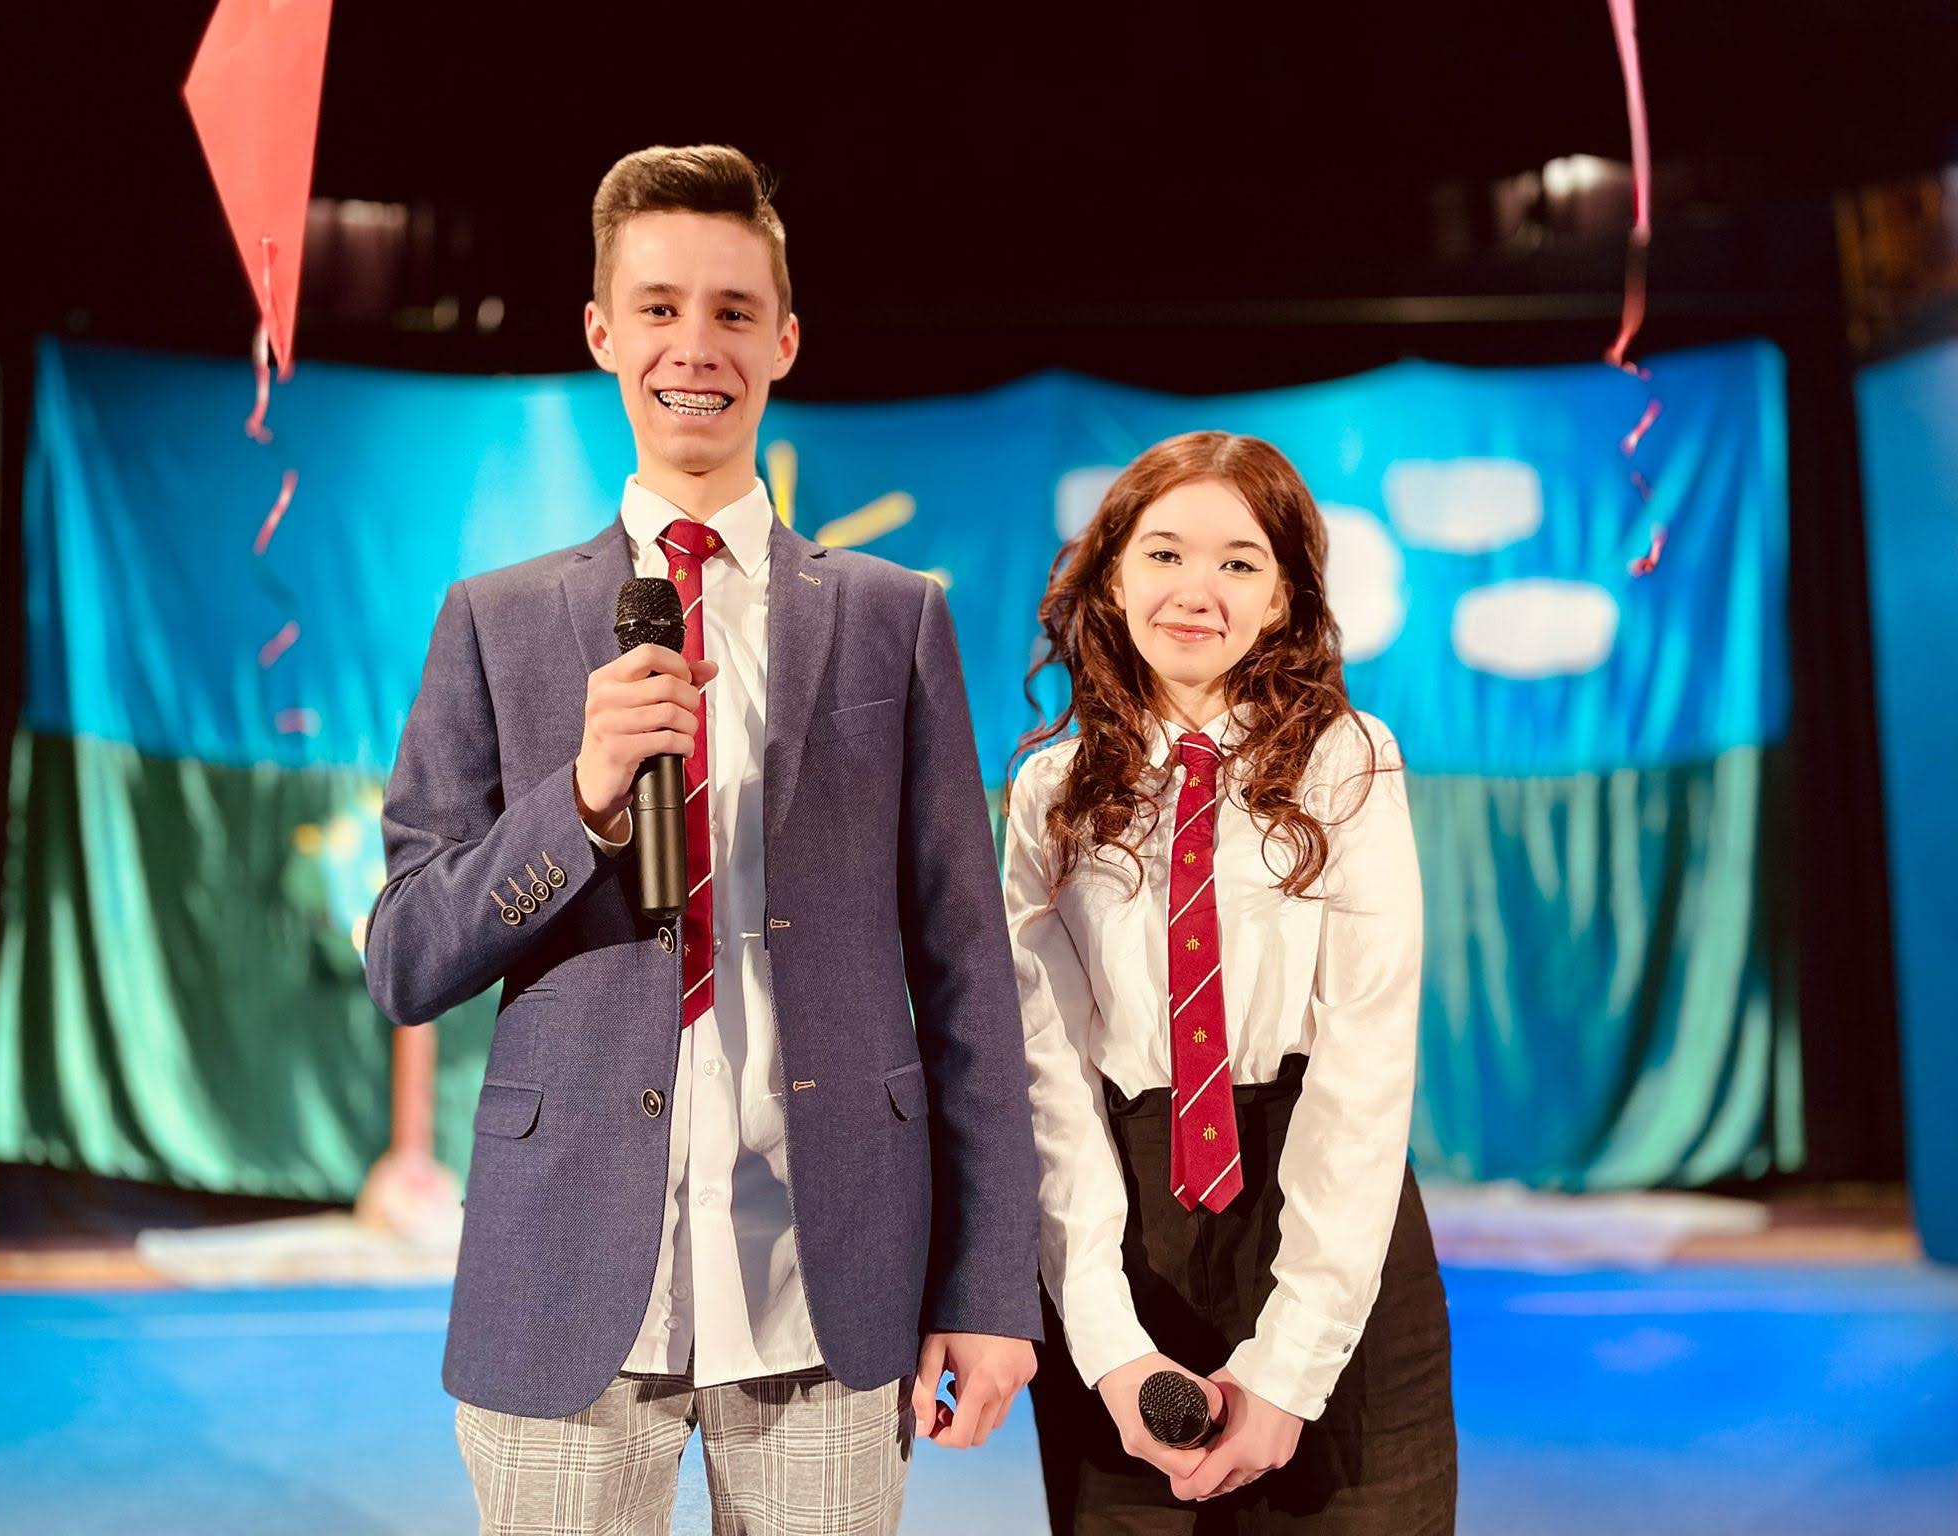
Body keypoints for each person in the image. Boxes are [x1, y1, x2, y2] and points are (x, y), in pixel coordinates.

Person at [364, 144, 1041, 1536]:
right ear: (600, 331)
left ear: (783, 340)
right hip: (566, 1278)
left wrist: (988, 1288)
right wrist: (582, 798)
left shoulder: (891, 618)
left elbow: (969, 975)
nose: (695, 346)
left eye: (734, 311)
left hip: (827, 1284)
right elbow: (407, 958)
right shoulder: (494, 621)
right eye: (658, 307)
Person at [1004, 432, 1457, 1532]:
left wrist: (1289, 1367)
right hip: (1124, 1238)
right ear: (1113, 578)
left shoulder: (1349, 761)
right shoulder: (1048, 794)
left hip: (1325, 1229)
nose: (1195, 590)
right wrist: (1108, 1344)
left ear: (1284, 596)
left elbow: (1364, 1064)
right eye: (1162, 554)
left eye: (1239, 562)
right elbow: (1046, 1081)